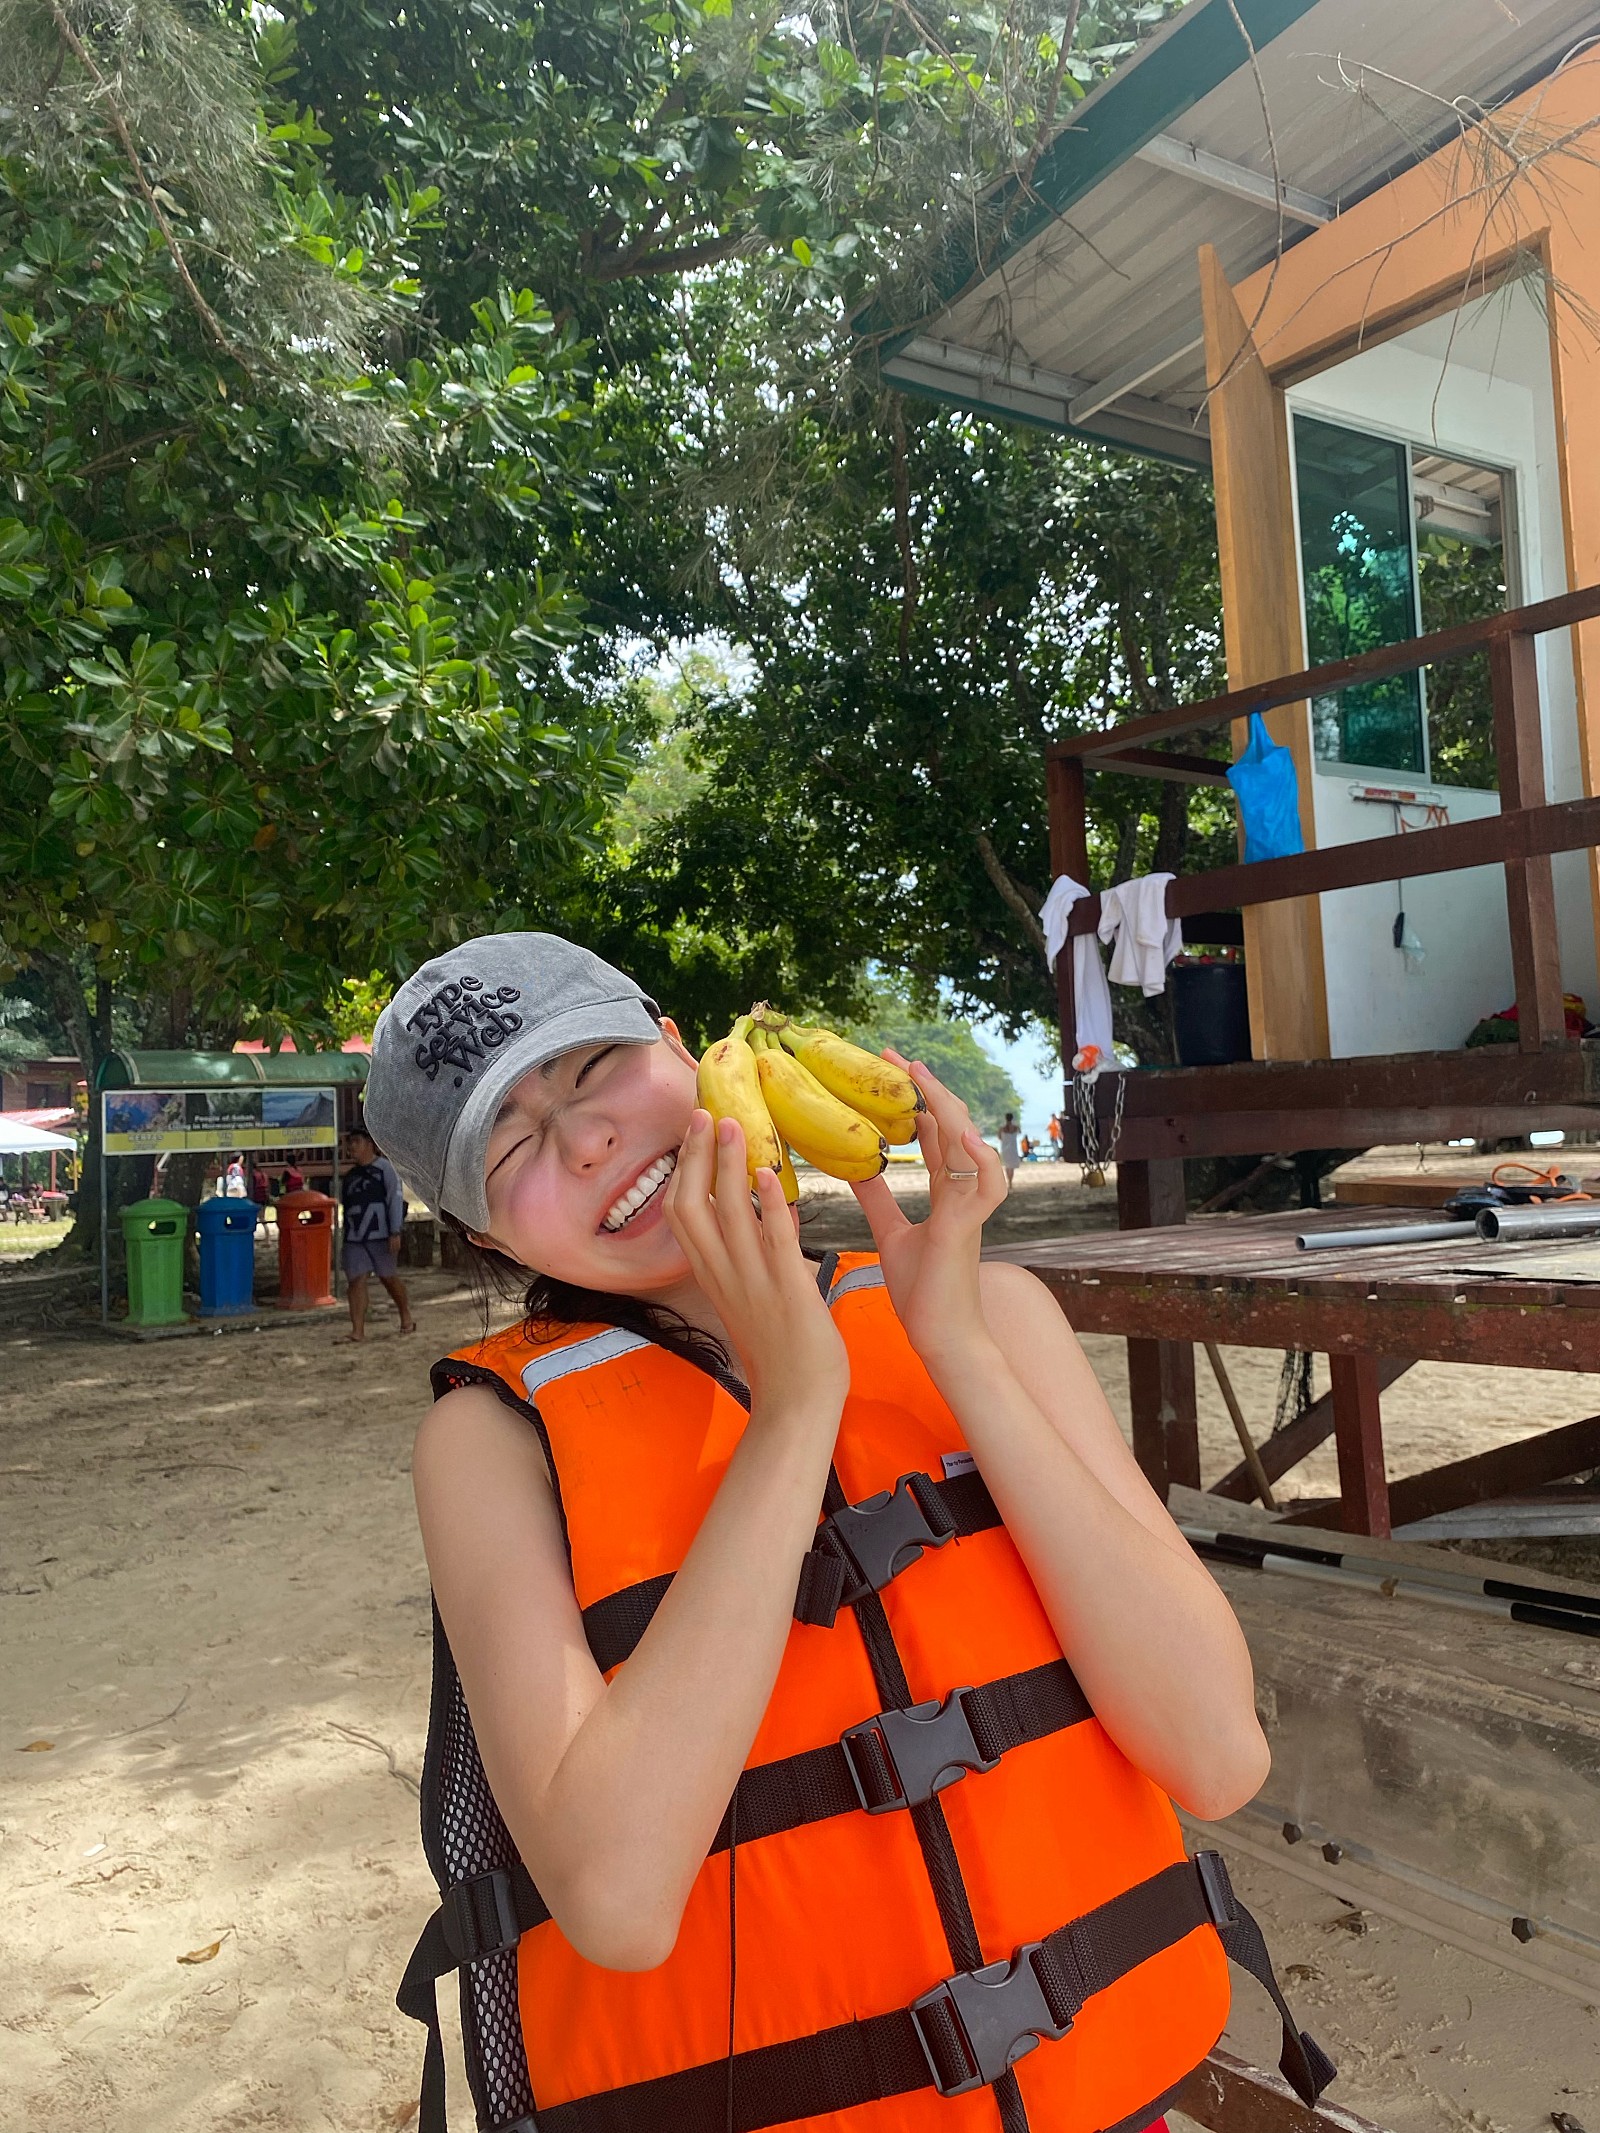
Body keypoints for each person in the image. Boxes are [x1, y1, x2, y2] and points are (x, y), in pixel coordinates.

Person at [366, 935, 1325, 2133]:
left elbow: (1217, 1758)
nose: (586, 1141)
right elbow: (616, 1901)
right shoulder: (489, 1441)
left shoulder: (990, 1311)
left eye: (594, 1068)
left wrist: (959, 1349)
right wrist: (793, 1408)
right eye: (511, 1148)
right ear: (489, 1241)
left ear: (682, 1049)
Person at [337, 1124, 415, 1343]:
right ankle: (357, 1330)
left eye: (357, 1142)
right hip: (355, 1237)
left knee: (388, 1277)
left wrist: (395, 1231)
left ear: (369, 1144)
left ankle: (405, 1315)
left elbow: (394, 1200)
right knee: (356, 1280)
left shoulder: (385, 1170)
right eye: (350, 1143)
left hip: (381, 1234)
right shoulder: (350, 1177)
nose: (352, 1147)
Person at [998, 1110, 1021, 1186]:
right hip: (1013, 1149)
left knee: (1007, 1166)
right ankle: (1010, 1181)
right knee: (1012, 1166)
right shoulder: (1015, 1127)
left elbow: (999, 1137)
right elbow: (1020, 1132)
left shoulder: (1002, 1128)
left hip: (1005, 1148)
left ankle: (1009, 1180)